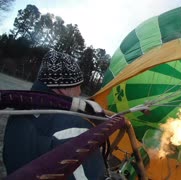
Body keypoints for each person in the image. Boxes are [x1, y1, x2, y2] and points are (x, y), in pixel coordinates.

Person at [3, 50, 105, 179]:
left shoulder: (17, 114)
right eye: (78, 85)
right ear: (63, 87)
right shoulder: (76, 128)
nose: (80, 92)